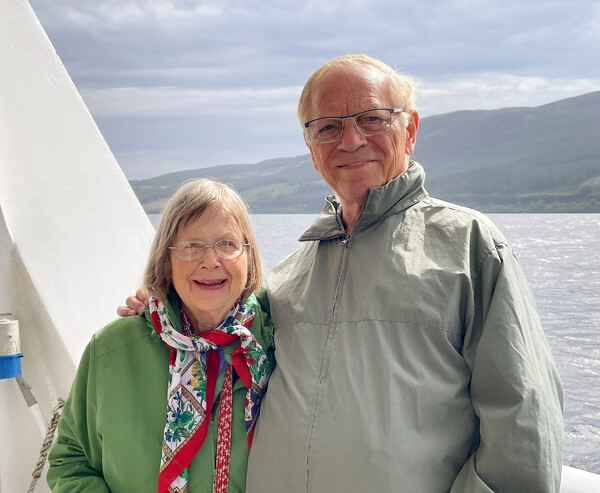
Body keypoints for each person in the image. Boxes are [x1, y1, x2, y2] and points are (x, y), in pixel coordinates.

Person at [120, 55, 564, 492]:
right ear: (312, 148)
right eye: (328, 127)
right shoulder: (288, 278)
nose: (351, 140)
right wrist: (164, 306)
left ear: (409, 130)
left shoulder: (469, 247)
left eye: (372, 119)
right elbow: (215, 341)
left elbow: (522, 426)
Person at [48, 179, 275, 492]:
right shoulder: (112, 350)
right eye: (192, 246)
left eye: (227, 244)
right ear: (167, 260)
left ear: (248, 256)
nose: (211, 261)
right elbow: (70, 460)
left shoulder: (278, 342)